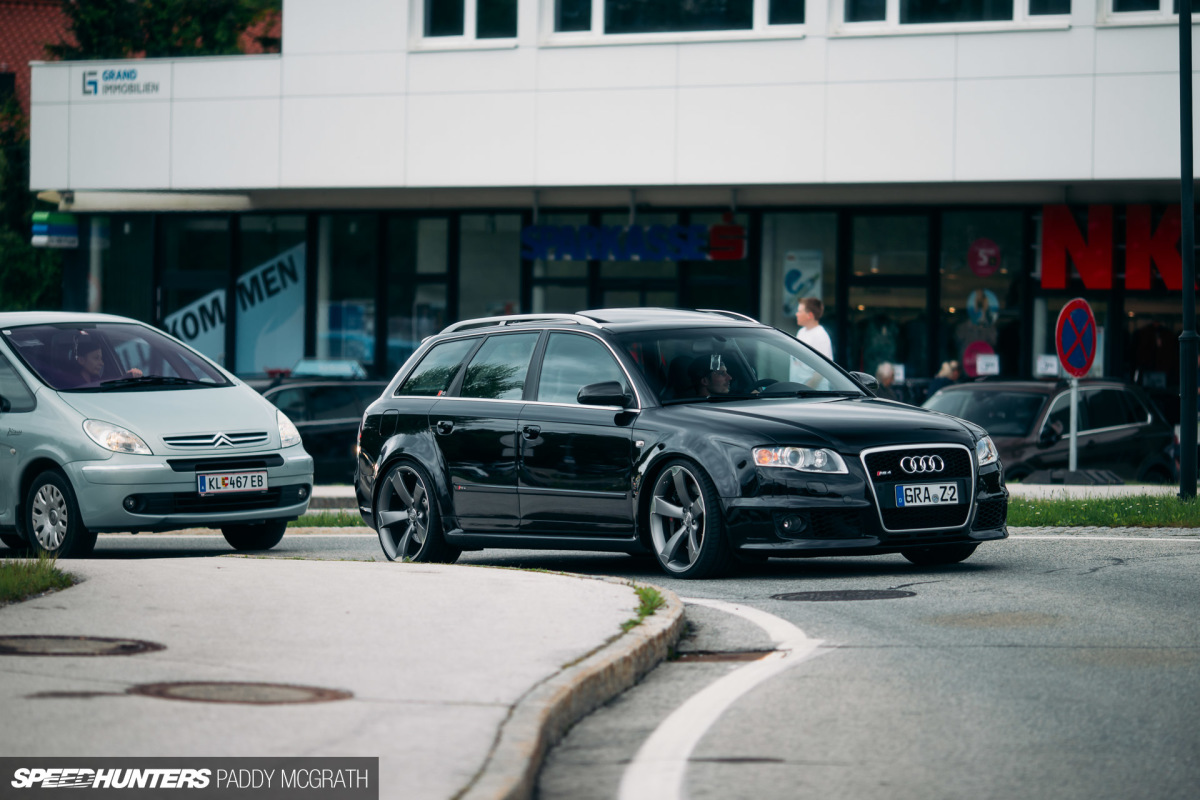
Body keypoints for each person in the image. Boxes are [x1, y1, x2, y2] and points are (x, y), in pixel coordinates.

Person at [71, 335, 141, 387]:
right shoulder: (70, 383)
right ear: (81, 360)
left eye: (101, 358)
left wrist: (129, 376)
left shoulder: (98, 380)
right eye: (96, 358)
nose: (102, 363)